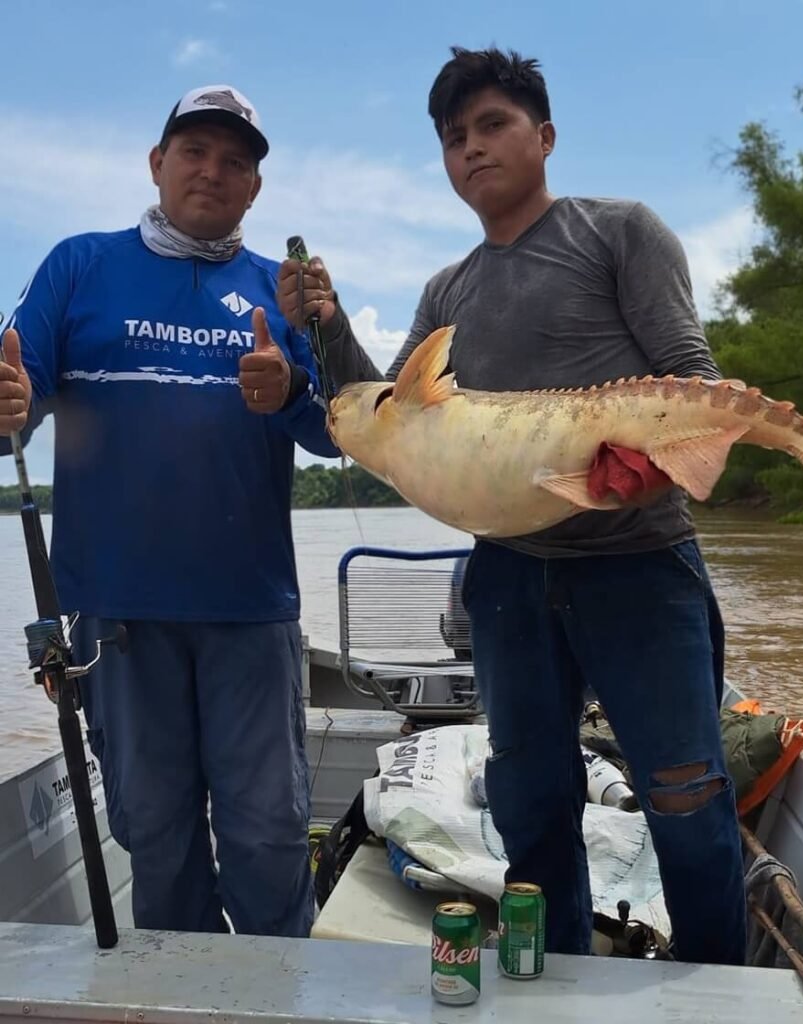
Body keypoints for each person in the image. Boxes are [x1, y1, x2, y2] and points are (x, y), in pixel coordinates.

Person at [276, 48, 747, 965]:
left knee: (685, 797)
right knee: (530, 798)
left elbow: (695, 384)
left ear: (544, 134)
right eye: (454, 139)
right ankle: (555, 977)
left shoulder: (617, 232)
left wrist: (646, 470)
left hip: (638, 566)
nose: (472, 150)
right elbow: (393, 422)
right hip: (507, 575)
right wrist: (327, 325)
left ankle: (718, 986)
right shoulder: (446, 292)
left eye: (491, 126)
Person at [0, 84, 339, 936]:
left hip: (250, 612)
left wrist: (297, 380)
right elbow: (21, 394)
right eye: (194, 151)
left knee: (265, 832)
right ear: (157, 163)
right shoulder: (79, 264)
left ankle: (279, 990)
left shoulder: (279, 289)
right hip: (117, 616)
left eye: (235, 161)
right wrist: (9, 398)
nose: (212, 172)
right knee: (155, 835)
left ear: (255, 188)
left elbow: (337, 434)